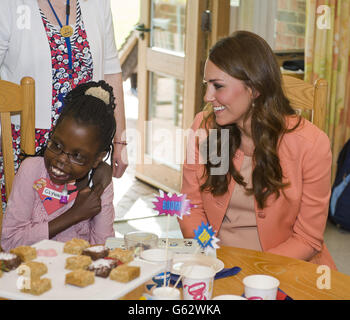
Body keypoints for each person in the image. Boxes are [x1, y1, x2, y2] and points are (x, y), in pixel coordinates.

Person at [179, 31, 337, 270]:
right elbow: (190, 206)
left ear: (255, 89)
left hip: (285, 267)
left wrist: (254, 270)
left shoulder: (311, 144)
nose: (208, 96)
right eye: (206, 85)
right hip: (216, 262)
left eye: (218, 86)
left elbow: (308, 239)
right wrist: (210, 252)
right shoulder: (205, 128)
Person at [0, 0, 128, 211]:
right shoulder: (10, 5)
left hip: (85, 149)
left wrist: (120, 141)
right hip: (28, 145)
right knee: (26, 233)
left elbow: (111, 69)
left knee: (78, 227)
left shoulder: (98, 4)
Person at [1, 80, 116, 251]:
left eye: (77, 156)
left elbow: (103, 248)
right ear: (52, 134)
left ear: (98, 158)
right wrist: (74, 215)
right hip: (30, 272)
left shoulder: (98, 184)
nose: (61, 159)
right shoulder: (32, 170)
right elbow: (9, 242)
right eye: (56, 145)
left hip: (75, 274)